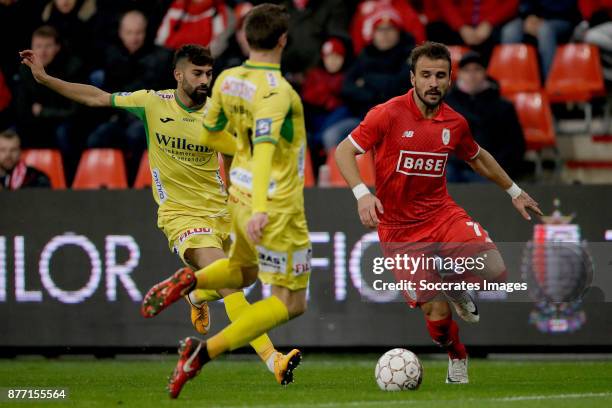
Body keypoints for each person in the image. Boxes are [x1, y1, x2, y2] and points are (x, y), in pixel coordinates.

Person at [19, 43, 297, 386]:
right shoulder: (152, 103)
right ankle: (274, 359)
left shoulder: (219, 114)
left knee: (245, 277)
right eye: (197, 74)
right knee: (230, 288)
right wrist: (45, 80)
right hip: (181, 216)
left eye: (209, 74)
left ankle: (196, 293)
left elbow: (234, 157)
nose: (204, 80)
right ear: (178, 74)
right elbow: (96, 97)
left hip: (221, 213)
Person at [334, 42, 542, 383]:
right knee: (438, 316)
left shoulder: (455, 122)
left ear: (449, 79)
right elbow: (344, 150)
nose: (433, 83)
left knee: (496, 269)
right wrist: (362, 194)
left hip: (440, 214)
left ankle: (457, 284)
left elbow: (477, 157)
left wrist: (514, 191)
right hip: (398, 230)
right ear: (412, 77)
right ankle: (456, 355)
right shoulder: (387, 114)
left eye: (440, 76)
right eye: (426, 75)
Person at [140, 3, 311, 399]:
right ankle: (210, 332)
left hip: (234, 199)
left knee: (242, 276)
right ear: (283, 40)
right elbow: (265, 149)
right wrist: (264, 207)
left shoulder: (230, 80)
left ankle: (196, 287)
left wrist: (240, 151)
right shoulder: (277, 92)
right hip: (275, 204)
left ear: (242, 38)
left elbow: (211, 135)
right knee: (291, 301)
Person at [445, 51, 526, 182]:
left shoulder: (503, 106)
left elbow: (516, 144)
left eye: (477, 69)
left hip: (489, 168)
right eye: (466, 70)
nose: (472, 75)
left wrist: (495, 165)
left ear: (485, 73)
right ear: (459, 74)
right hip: (455, 167)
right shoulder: (446, 105)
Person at [501, 0, 581, 79]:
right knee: (510, 31)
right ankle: (511, 82)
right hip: (532, 17)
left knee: (545, 30)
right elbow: (525, 4)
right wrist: (530, 16)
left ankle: (550, 82)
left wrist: (543, 18)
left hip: (561, 19)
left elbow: (568, 7)